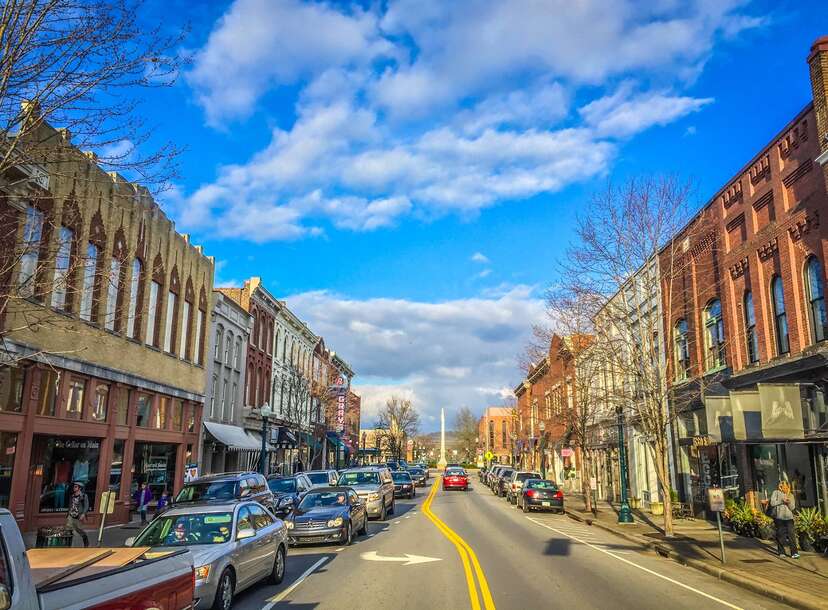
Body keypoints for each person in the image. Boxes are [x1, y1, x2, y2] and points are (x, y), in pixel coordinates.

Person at [769, 481, 799, 558]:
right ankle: (781, 552)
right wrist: (782, 501)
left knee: (791, 535)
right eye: (783, 487)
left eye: (787, 487)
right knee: (780, 535)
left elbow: (792, 508)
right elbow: (772, 503)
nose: (785, 489)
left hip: (789, 518)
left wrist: (788, 502)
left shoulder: (790, 495)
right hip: (779, 518)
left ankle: (794, 553)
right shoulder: (776, 493)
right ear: (780, 487)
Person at [66, 481, 89, 547]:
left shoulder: (84, 496)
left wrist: (83, 514)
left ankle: (85, 540)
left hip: (78, 516)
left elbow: (86, 506)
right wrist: (68, 513)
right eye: (74, 486)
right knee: (69, 529)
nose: (74, 488)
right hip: (71, 515)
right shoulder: (72, 496)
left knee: (79, 530)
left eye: (76, 487)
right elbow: (70, 505)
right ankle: (68, 544)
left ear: (80, 488)